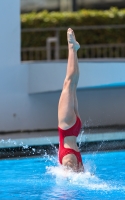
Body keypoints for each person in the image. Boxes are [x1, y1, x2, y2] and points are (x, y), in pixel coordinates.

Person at [58, 28, 84, 172]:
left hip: (74, 133)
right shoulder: (67, 160)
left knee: (72, 84)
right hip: (67, 129)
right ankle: (72, 48)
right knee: (69, 83)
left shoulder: (72, 160)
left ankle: (74, 49)